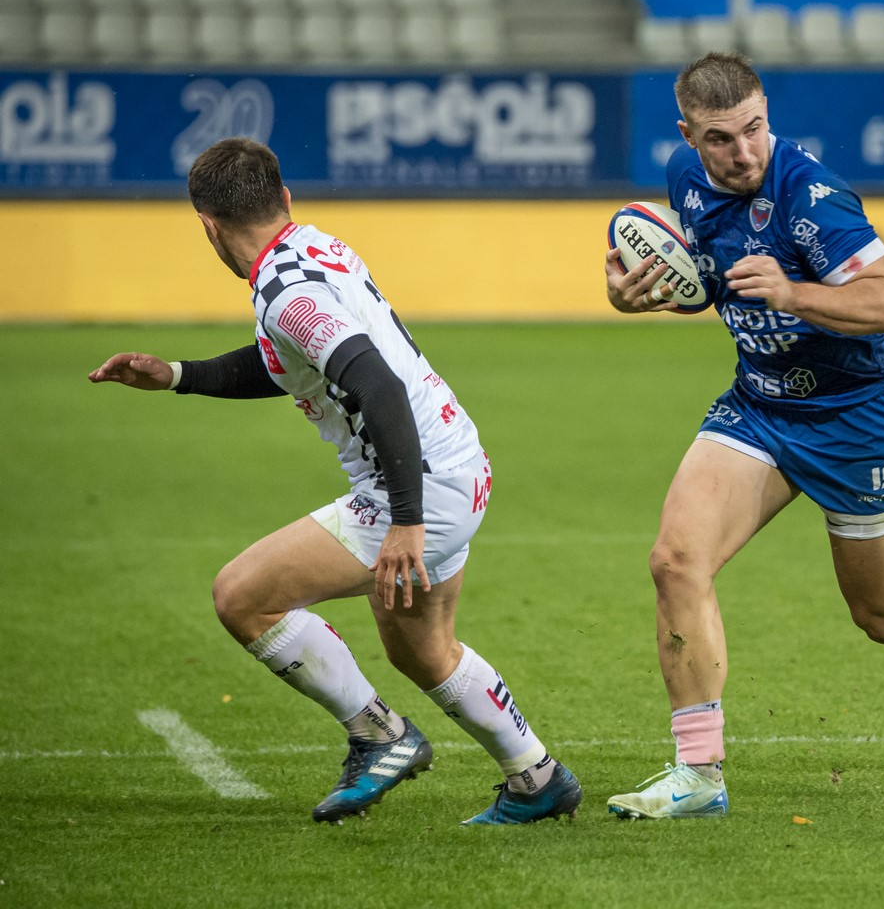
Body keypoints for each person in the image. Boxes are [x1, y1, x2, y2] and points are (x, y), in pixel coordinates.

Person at [601, 52, 884, 820]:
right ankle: (699, 776)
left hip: (856, 417)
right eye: (720, 139)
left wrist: (793, 290)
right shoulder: (685, 179)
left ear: (768, 113)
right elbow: (715, 284)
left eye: (754, 129)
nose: (743, 152)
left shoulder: (813, 197)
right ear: (688, 135)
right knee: (676, 561)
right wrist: (639, 297)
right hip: (761, 405)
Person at [89, 137, 581, 826]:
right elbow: (297, 361)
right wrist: (179, 375)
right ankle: (539, 777)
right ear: (284, 200)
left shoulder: (285, 292)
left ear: (207, 225)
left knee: (242, 597)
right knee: (422, 649)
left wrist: (406, 521)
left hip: (417, 488)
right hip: (458, 462)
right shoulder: (314, 247)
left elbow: (374, 383)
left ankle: (378, 733)